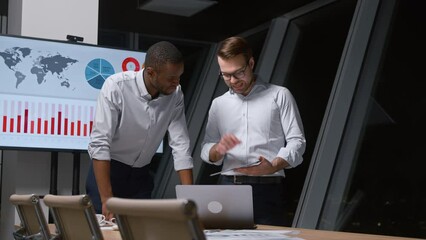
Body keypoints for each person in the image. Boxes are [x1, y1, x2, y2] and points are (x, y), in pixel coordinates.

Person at [201, 36, 306, 226]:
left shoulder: (279, 95)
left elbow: (297, 141)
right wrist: (217, 149)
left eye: (239, 72)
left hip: (267, 190)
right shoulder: (219, 104)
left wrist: (273, 166)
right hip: (228, 188)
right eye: (225, 75)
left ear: (251, 63)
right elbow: (207, 147)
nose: (233, 80)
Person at [86, 41, 193, 220]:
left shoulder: (175, 94)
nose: (176, 83)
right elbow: (99, 143)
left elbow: (181, 145)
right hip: (109, 173)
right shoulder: (116, 86)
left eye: (179, 77)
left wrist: (190, 200)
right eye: (171, 78)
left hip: (141, 177)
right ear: (150, 72)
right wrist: (106, 199)